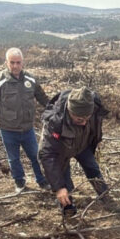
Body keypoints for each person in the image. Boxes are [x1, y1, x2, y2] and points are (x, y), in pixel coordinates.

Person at [39, 87, 112, 215]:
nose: (84, 123)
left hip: (83, 145)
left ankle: (105, 197)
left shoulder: (93, 106)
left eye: (87, 118)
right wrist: (59, 187)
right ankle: (67, 207)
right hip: (61, 150)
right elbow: (47, 154)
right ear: (69, 110)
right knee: (64, 181)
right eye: (79, 119)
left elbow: (96, 124)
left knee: (93, 169)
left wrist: (97, 139)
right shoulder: (55, 122)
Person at [0, 47, 51, 192]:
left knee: (35, 156)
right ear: (6, 63)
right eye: (12, 62)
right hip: (8, 129)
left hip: (27, 128)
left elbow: (43, 98)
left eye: (18, 62)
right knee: (14, 159)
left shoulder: (30, 79)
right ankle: (19, 182)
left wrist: (55, 110)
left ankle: (42, 181)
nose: (15, 66)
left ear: (23, 62)